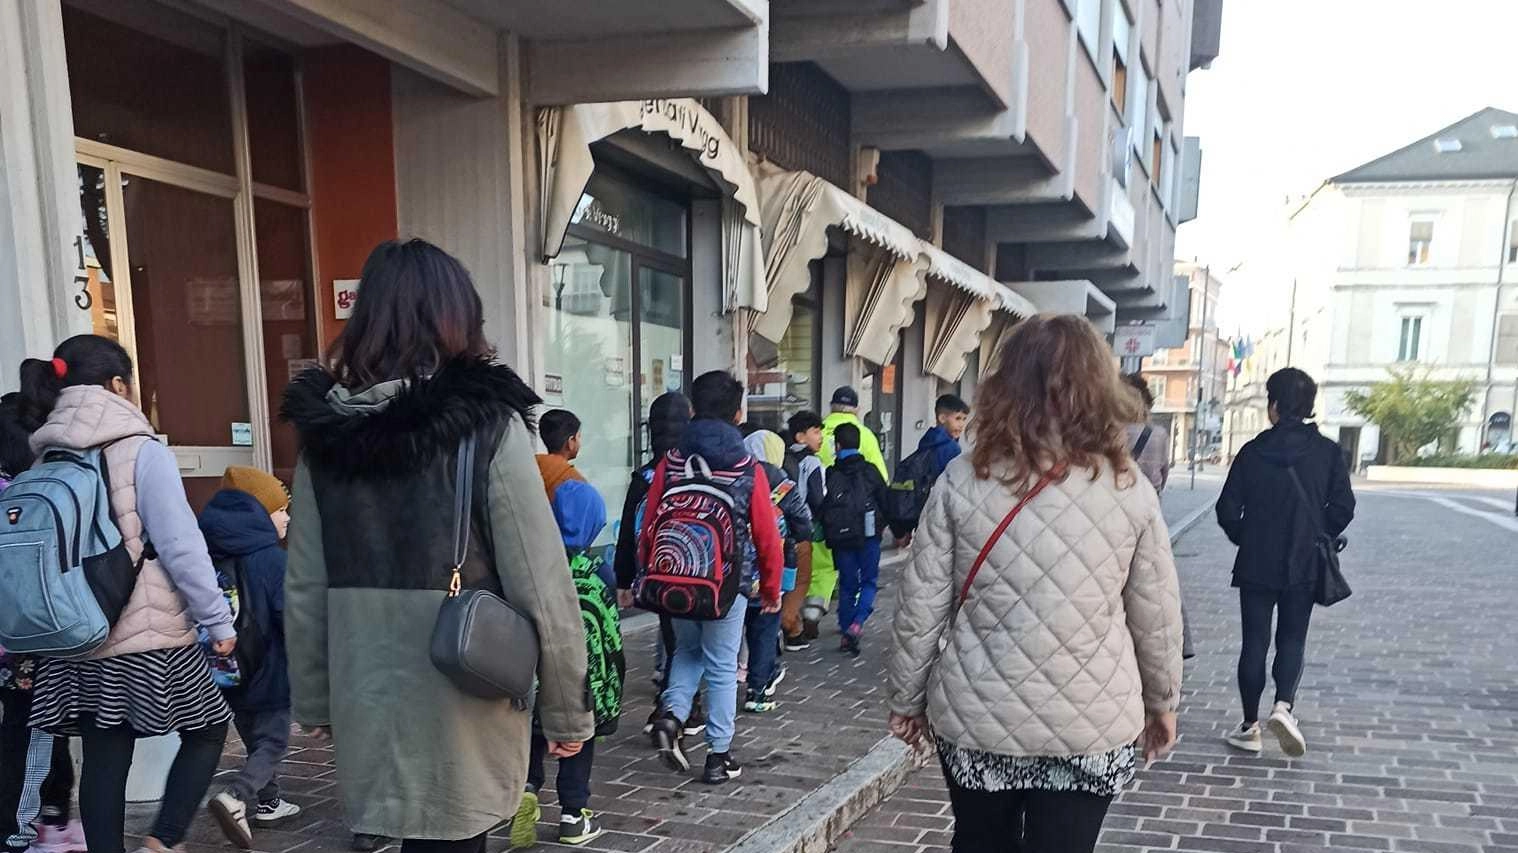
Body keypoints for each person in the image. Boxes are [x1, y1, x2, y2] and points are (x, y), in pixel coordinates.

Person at [282, 239, 593, 853]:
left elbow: (304, 584)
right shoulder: (485, 427)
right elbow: (541, 579)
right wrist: (566, 708)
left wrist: (316, 698)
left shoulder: (328, 437)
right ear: (458, 320)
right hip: (463, 686)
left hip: (366, 688)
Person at [886, 315, 1183, 853]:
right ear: (1100, 387)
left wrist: (907, 699)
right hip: (1090, 721)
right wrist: (1162, 701)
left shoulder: (962, 477)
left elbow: (921, 601)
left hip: (979, 715)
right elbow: (1155, 610)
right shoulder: (1128, 485)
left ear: (1005, 385)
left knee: (980, 842)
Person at [17, 334, 237, 853]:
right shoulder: (141, 451)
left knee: (104, 755)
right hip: (147, 635)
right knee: (208, 731)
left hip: (74, 633)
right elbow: (181, 544)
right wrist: (218, 620)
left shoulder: (44, 456)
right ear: (119, 385)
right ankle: (162, 841)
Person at [642, 372, 783, 785]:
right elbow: (767, 537)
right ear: (738, 413)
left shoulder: (671, 462)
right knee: (721, 666)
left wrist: (651, 573)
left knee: (685, 652)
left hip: (674, 577)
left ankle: (671, 716)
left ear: (693, 410)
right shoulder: (746, 466)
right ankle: (718, 757)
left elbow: (649, 523)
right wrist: (771, 589)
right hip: (726, 584)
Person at [1216, 367, 1355, 758]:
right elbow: (1344, 506)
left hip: (1257, 561)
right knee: (1292, 637)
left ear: (1273, 405)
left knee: (1254, 641)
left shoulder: (1251, 452)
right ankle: (1284, 706)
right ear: (1309, 405)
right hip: (1305, 559)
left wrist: (1247, 536)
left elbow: (1227, 509)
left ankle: (1249, 727)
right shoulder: (1328, 452)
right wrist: (1320, 532)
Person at [513, 479, 620, 849]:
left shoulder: (535, 566)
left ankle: (527, 789)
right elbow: (610, 637)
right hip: (580, 684)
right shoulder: (599, 570)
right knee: (578, 741)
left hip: (535, 676)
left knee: (535, 733)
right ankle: (574, 816)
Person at [200, 466, 301, 848]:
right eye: (279, 510)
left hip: (226, 667)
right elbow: (291, 620)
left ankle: (270, 801)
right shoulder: (271, 560)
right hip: (272, 668)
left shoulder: (208, 552)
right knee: (273, 740)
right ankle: (238, 795)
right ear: (258, 514)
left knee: (252, 732)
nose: (287, 517)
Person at [0, 397, 84, 853]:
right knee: (31, 736)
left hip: (9, 643)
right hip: (25, 645)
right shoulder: (24, 498)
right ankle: (18, 832)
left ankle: (48, 824)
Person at [611, 393, 706, 740]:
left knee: (673, 637)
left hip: (659, 571)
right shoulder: (700, 470)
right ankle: (687, 706)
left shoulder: (646, 477)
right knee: (699, 644)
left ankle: (672, 701)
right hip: (702, 571)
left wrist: (623, 579)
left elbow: (625, 532)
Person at [740, 428, 812, 712]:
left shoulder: (735, 473)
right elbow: (803, 524)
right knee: (765, 627)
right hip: (775, 566)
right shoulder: (782, 482)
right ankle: (758, 691)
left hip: (735, 569)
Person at [808, 388, 889, 639]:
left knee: (825, 570)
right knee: (865, 578)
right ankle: (855, 623)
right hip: (863, 527)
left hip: (827, 520)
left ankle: (813, 607)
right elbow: (882, 484)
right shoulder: (865, 435)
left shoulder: (817, 431)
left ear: (831, 406)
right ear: (855, 409)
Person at [821, 423, 891, 657]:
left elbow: (824, 506)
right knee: (869, 581)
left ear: (837, 445)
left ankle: (845, 628)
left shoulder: (832, 473)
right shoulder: (870, 471)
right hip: (869, 537)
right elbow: (885, 500)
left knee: (847, 584)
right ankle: (857, 623)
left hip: (842, 538)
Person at [887, 394, 970, 542]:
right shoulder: (951, 448)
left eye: (964, 419)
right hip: (940, 513)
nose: (962, 424)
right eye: (957, 418)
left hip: (923, 510)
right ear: (942, 418)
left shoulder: (927, 441)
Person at [780, 411, 826, 651]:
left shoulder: (781, 457)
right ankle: (789, 626)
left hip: (778, 529)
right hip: (800, 530)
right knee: (800, 581)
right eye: (816, 432)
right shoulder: (812, 462)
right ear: (800, 436)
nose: (821, 438)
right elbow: (817, 498)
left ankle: (791, 626)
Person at [1120, 374, 1171, 492]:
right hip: (1149, 499)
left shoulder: (1110, 432)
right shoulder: (1160, 434)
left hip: (1116, 497)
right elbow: (1164, 473)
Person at [537, 409, 586, 504]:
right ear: (571, 441)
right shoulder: (576, 485)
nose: (580, 442)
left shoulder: (533, 469)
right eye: (578, 437)